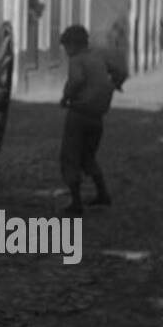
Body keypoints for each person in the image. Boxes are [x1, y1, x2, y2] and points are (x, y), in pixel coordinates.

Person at [58, 25, 114, 214]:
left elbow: (76, 80)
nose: (66, 52)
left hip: (79, 114)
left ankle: (76, 202)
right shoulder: (97, 57)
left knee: (70, 156)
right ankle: (103, 193)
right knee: (88, 157)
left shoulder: (77, 60)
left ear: (73, 45)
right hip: (97, 117)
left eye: (66, 48)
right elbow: (117, 73)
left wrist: (65, 97)